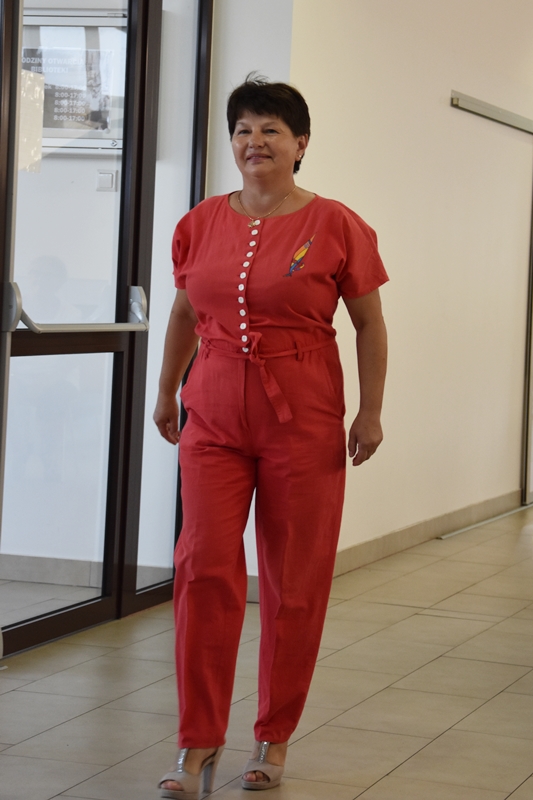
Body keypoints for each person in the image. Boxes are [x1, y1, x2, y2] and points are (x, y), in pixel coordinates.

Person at [154, 75, 388, 798]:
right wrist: (165, 391)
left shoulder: (338, 223)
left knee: (293, 580)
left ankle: (273, 735)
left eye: (270, 130)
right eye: (243, 130)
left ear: (300, 143)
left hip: (304, 414)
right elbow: (185, 315)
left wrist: (370, 411)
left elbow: (369, 323)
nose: (254, 142)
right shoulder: (199, 222)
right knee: (202, 568)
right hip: (213, 413)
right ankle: (197, 740)